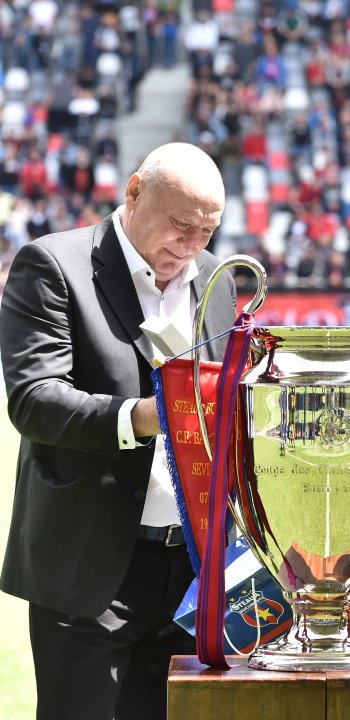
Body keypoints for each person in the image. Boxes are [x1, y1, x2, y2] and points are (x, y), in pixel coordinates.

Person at [0, 143, 238, 720]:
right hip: (91, 572)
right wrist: (148, 415)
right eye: (181, 225)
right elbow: (34, 400)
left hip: (196, 572)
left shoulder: (218, 279)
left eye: (207, 231)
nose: (191, 245)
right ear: (134, 191)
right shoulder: (54, 265)